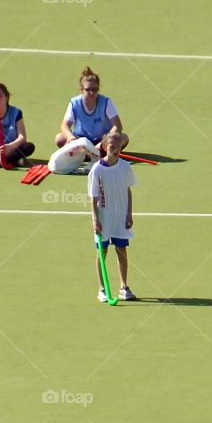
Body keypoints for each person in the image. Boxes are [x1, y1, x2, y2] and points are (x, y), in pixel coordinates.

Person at [89, 129, 137, 301]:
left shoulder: (125, 167)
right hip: (103, 217)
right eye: (111, 146)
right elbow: (93, 196)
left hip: (120, 217)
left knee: (122, 250)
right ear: (104, 147)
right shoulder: (97, 170)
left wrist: (129, 214)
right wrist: (95, 219)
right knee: (102, 251)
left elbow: (128, 190)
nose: (115, 150)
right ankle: (102, 289)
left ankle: (124, 287)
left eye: (118, 147)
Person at [55, 66, 126, 148]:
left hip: (102, 140)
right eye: (88, 89)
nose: (91, 92)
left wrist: (104, 142)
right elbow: (65, 125)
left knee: (123, 138)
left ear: (99, 89)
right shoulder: (74, 103)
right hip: (81, 140)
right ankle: (91, 153)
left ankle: (90, 153)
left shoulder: (106, 102)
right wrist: (70, 136)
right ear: (82, 89)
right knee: (60, 139)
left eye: (95, 89)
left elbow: (117, 126)